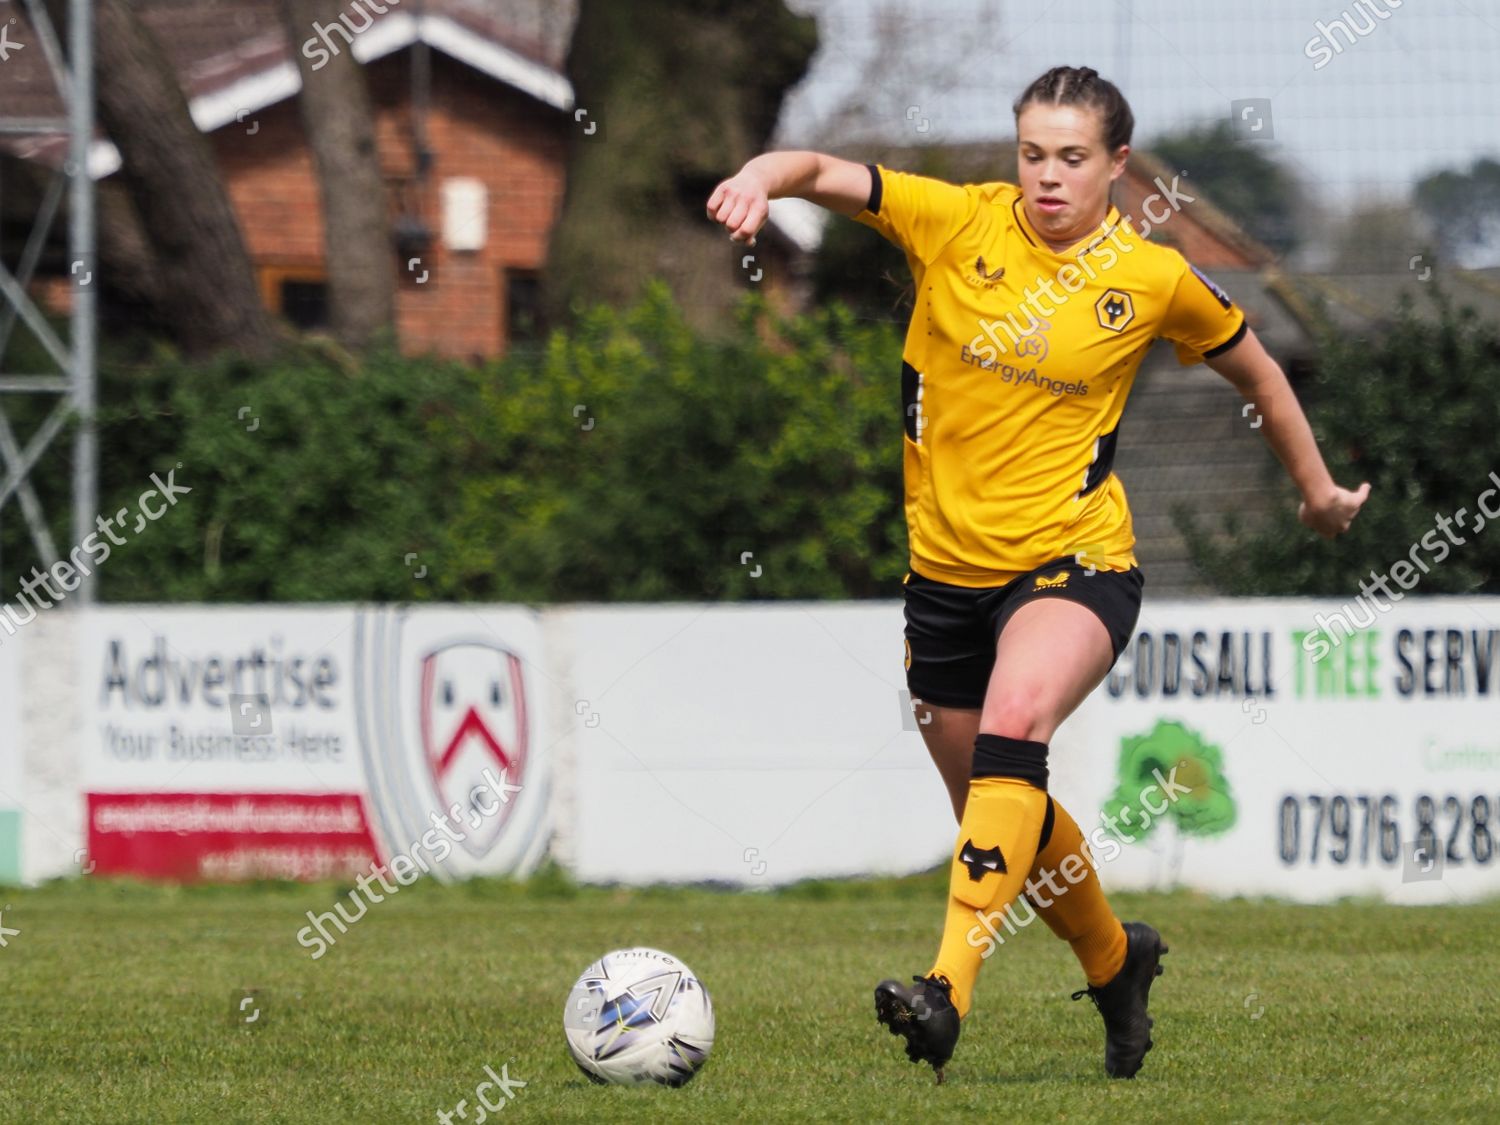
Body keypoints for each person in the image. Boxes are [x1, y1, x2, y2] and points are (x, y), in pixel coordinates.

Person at [706, 65, 1368, 1082]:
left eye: (1071, 158)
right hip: (943, 578)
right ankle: (1117, 960)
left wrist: (1317, 493)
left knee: (1017, 726)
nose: (1048, 176)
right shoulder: (957, 221)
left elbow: (1261, 372)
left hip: (1076, 562)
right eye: (1032, 154)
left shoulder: (1149, 277)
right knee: (1002, 804)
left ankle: (944, 990)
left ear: (1116, 166)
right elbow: (825, 171)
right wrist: (761, 174)